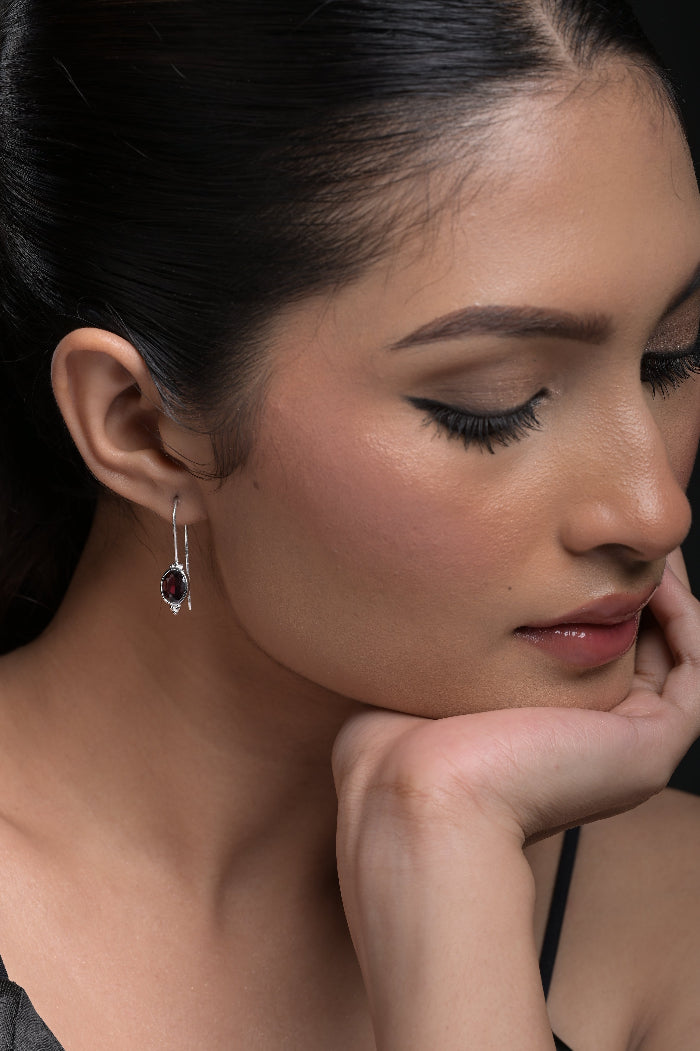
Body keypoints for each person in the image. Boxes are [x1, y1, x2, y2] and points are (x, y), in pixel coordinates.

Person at [2, 0, 700, 1047]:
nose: (654, 509)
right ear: (141, 428)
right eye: (492, 402)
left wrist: (448, 855)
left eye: (671, 358)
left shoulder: (672, 923)